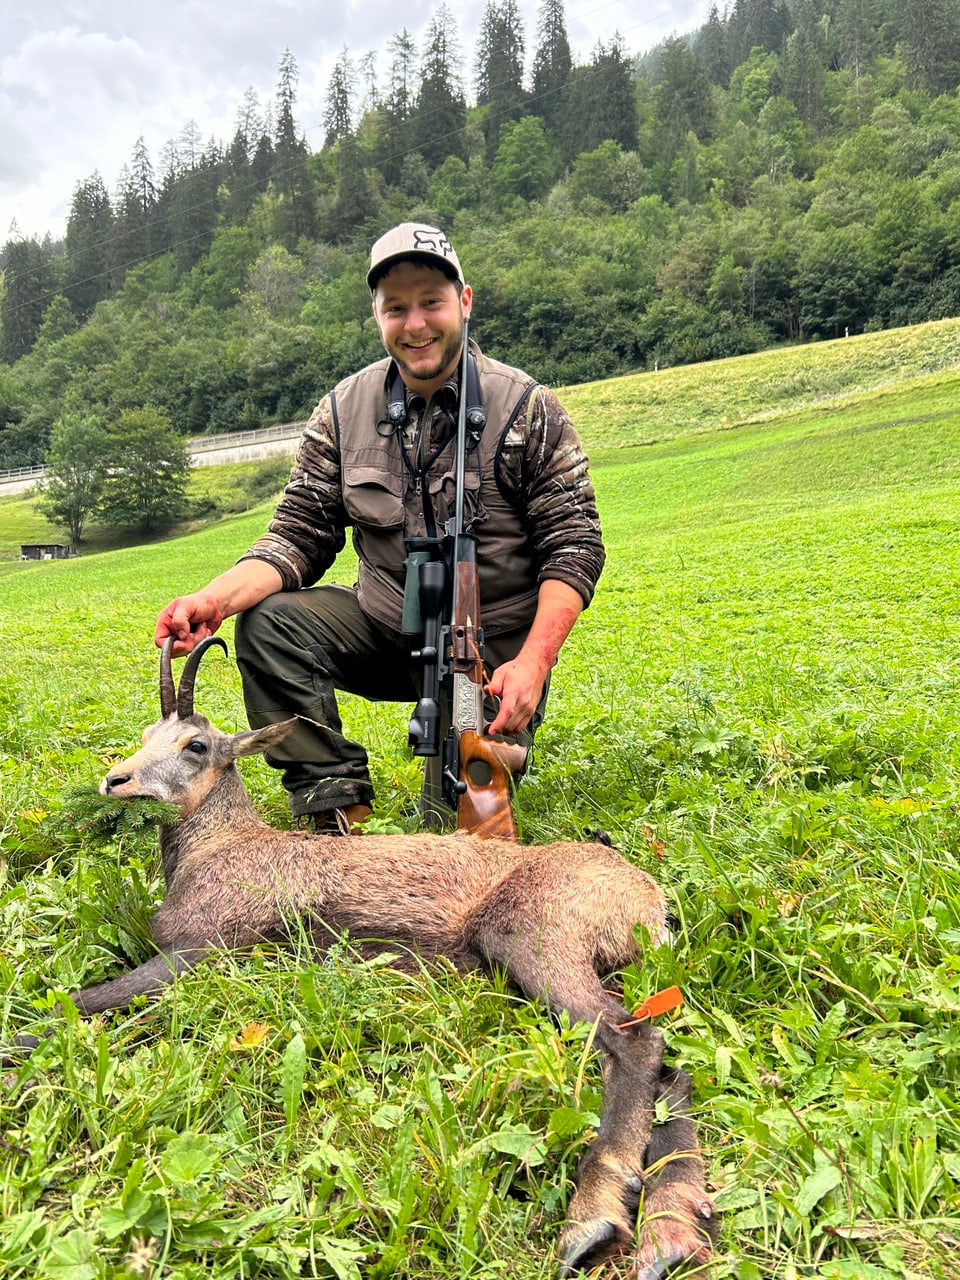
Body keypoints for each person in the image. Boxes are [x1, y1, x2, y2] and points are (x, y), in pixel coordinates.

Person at [154, 222, 605, 833]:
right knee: (268, 624)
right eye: (396, 308)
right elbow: (296, 535)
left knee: (456, 823)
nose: (414, 324)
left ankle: (490, 751)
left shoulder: (526, 407)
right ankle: (332, 802)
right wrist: (213, 599)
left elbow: (574, 547)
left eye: (431, 302)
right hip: (385, 626)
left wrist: (534, 662)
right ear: (377, 315)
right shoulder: (343, 412)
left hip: (488, 648)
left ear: (464, 302)